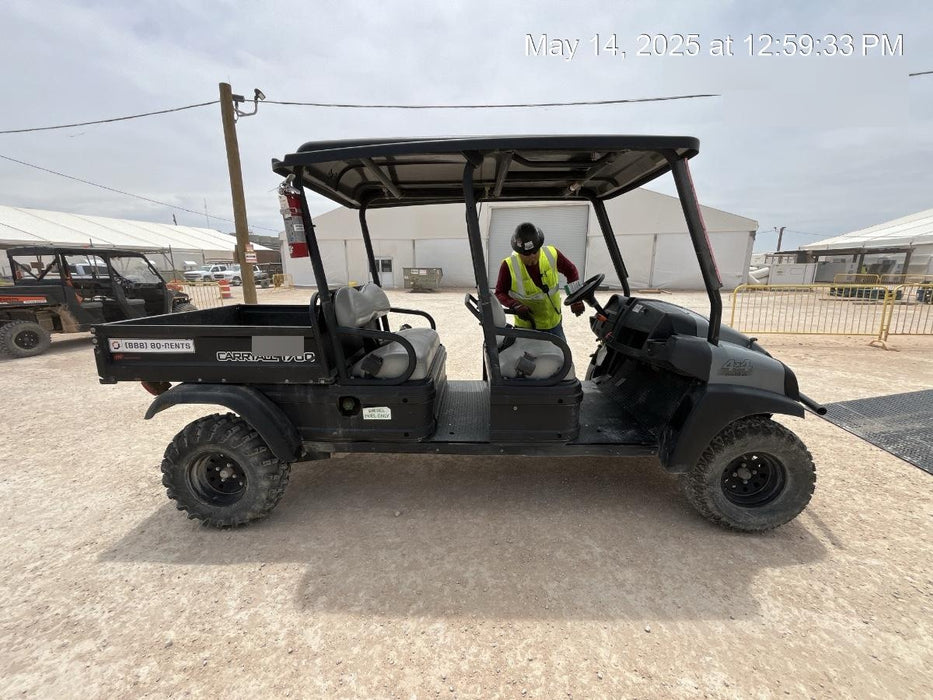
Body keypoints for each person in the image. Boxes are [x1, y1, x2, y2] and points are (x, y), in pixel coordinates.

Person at [493, 222, 585, 342]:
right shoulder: (508, 265)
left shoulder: (552, 254)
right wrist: (515, 305)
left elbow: (571, 271)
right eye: (526, 254)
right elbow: (499, 293)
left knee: (562, 357)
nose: (531, 257)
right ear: (519, 251)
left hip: (554, 324)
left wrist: (575, 298)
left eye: (535, 252)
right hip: (526, 328)